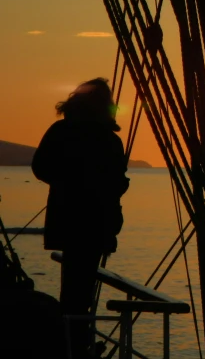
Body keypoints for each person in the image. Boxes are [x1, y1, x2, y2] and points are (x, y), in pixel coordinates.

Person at [32, 78, 129, 359]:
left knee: (74, 288)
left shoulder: (60, 131)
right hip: (95, 224)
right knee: (80, 291)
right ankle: (75, 344)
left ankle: (72, 342)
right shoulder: (109, 140)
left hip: (67, 219)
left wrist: (65, 182)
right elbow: (114, 183)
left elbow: (40, 167)